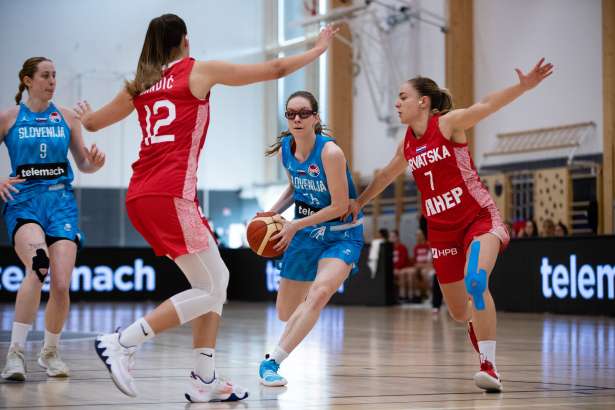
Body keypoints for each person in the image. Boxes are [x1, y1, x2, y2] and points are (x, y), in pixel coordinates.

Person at [74, 14, 337, 402]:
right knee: (214, 286)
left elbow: (93, 123)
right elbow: (275, 67)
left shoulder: (139, 84)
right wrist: (318, 49)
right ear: (184, 41)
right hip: (170, 193)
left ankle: (204, 378)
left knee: (212, 285)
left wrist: (79, 120)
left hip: (140, 195)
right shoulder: (196, 72)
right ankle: (123, 341)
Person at [346, 58, 553, 392]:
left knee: (476, 281)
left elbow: (485, 105)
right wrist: (359, 203)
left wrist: (523, 86)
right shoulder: (407, 144)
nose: (396, 103)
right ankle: (481, 333)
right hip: (442, 231)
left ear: (422, 102)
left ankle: (489, 365)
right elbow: (385, 175)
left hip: (477, 218)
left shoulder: (448, 124)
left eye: (402, 97)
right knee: (459, 313)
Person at [0, 57, 105, 381]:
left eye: (55, 76)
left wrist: (94, 164)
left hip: (61, 203)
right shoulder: (10, 117)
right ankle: (15, 354)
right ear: (28, 80)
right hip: (24, 202)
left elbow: (83, 163)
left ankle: (50, 352)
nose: (52, 81)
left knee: (60, 283)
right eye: (45, 76)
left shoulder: (68, 117)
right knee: (39, 265)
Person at [257, 91, 364, 387]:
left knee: (319, 294)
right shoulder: (285, 151)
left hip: (341, 234)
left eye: (304, 113)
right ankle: (306, 310)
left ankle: (271, 361)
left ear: (316, 118)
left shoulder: (331, 153)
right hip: (305, 232)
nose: (297, 119)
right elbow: (294, 189)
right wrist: (270, 212)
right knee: (284, 312)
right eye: (291, 113)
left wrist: (294, 224)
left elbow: (340, 206)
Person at [389, 229, 410, 301]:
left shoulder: (402, 247)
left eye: (393, 237)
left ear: (397, 237)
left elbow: (403, 261)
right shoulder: (388, 248)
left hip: (401, 268)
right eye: (390, 237)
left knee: (401, 273)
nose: (391, 239)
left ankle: (403, 296)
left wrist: (396, 268)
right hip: (393, 269)